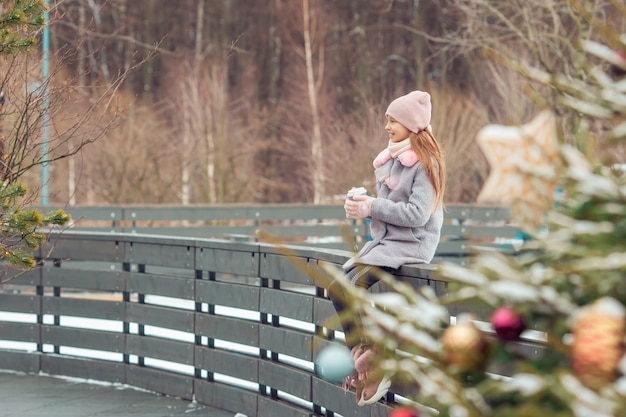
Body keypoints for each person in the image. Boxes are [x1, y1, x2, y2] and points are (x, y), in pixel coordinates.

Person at [328, 90, 445, 406]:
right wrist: (362, 207)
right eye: (388, 120)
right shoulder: (391, 160)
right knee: (337, 286)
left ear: (410, 124)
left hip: (412, 246)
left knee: (354, 283)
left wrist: (372, 207)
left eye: (393, 120)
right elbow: (383, 212)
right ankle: (364, 352)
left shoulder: (426, 163)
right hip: (386, 244)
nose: (387, 126)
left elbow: (417, 214)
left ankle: (373, 360)